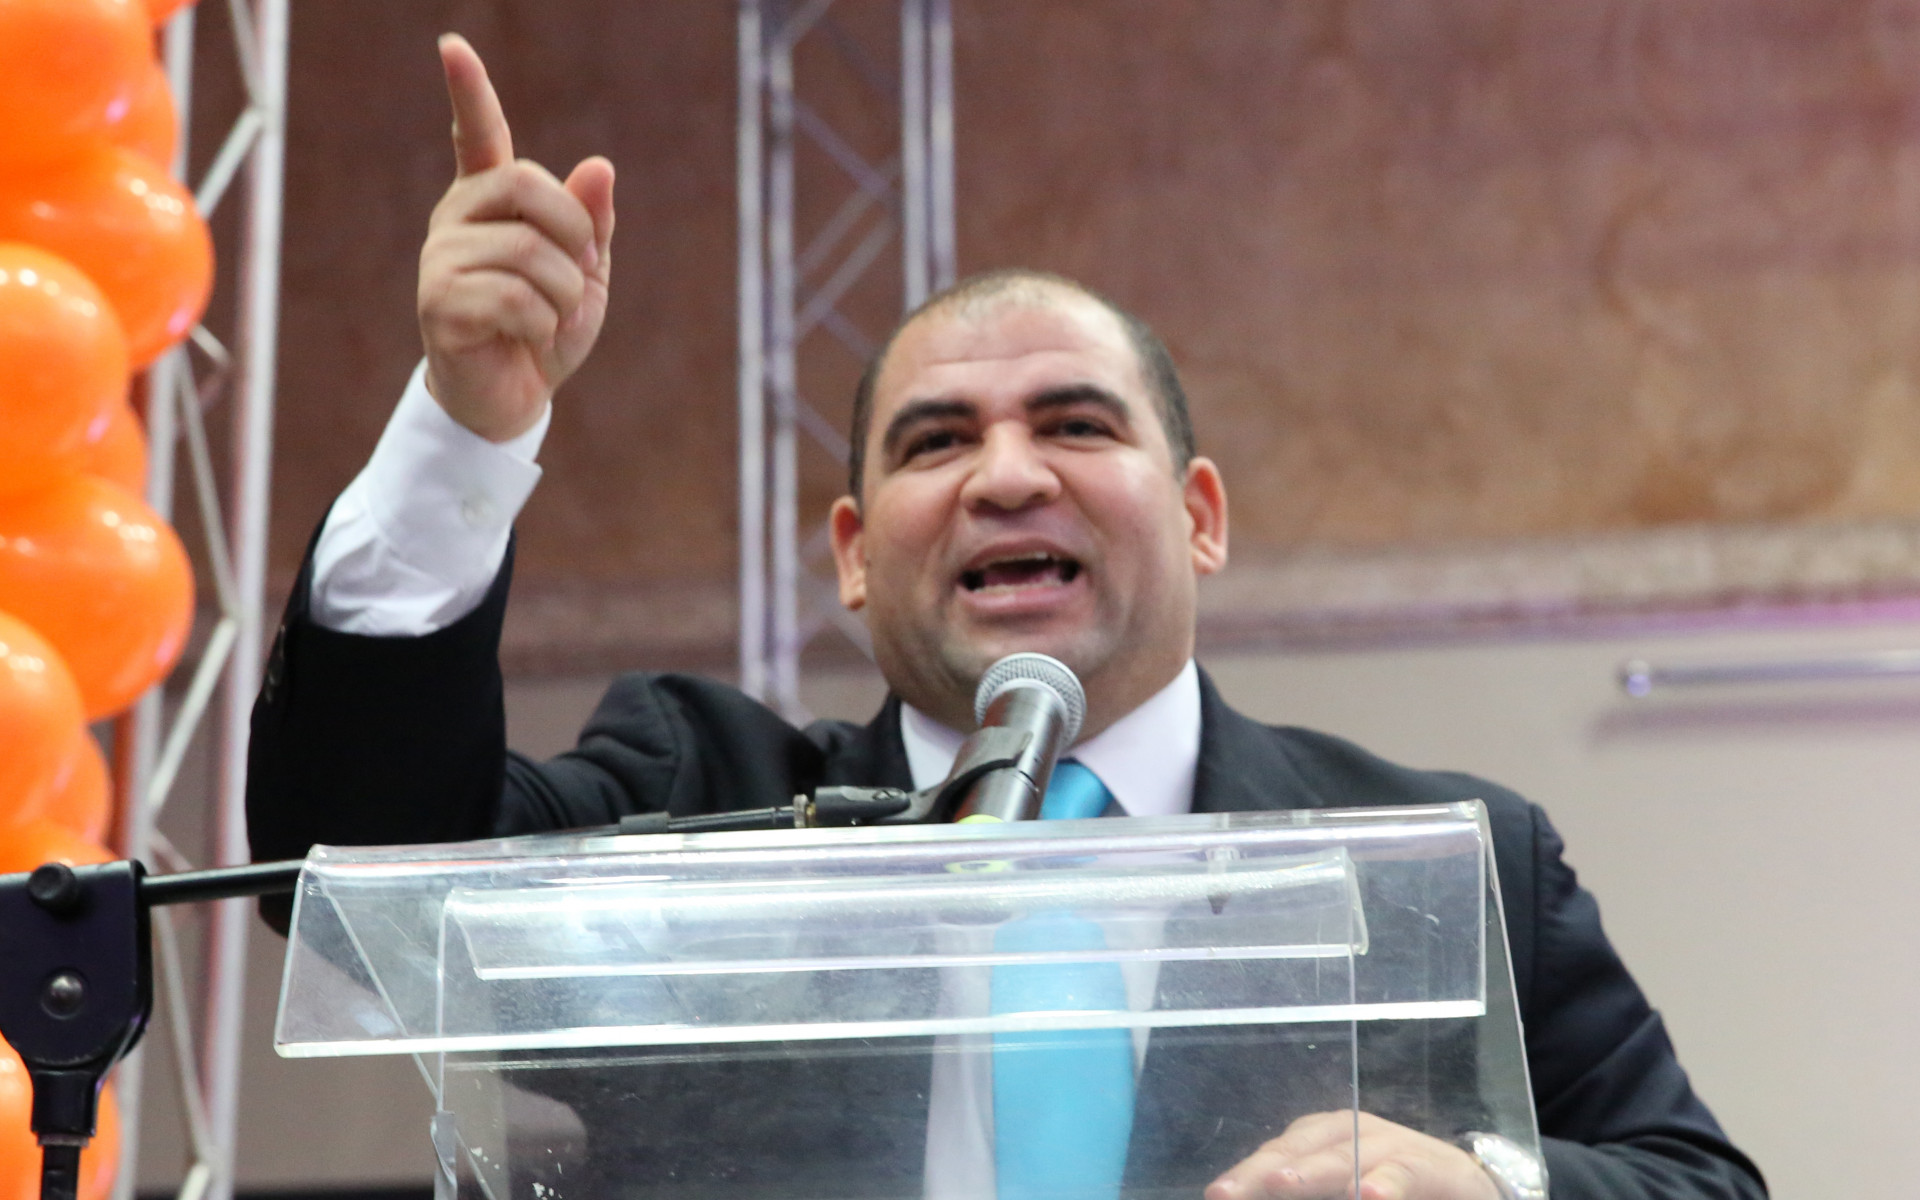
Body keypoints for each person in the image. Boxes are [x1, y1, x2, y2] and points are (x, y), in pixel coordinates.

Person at [247, 34, 1766, 1200]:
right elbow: (356, 863)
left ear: (1201, 516)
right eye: (935, 443)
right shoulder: (699, 801)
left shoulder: (1455, 862)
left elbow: (1699, 1181)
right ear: (854, 557)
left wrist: (1487, 1185)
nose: (1008, 476)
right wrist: (467, 427)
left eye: (1077, 425)